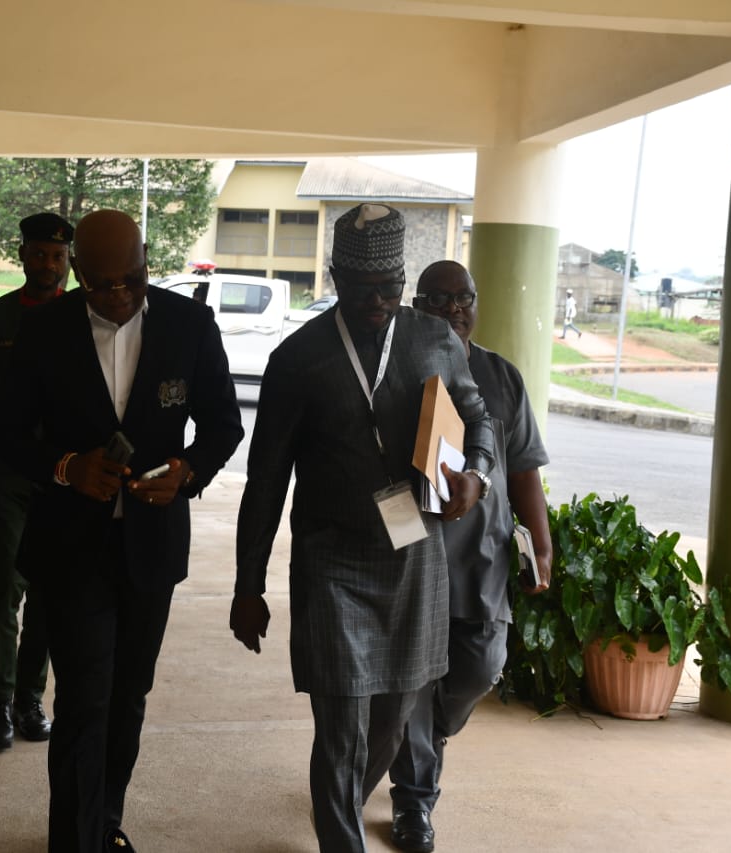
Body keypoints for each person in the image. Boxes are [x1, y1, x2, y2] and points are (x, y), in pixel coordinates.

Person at [231, 203, 495, 853]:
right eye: (362, 288)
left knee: (392, 720)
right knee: (342, 724)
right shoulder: (299, 359)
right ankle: (341, 839)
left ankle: (339, 807)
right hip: (333, 562)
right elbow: (266, 480)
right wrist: (248, 583)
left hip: (414, 555)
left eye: (390, 287)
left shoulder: (433, 340)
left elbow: (477, 416)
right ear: (335, 278)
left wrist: (477, 474)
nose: (378, 301)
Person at [0, 209, 244, 853]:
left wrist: (187, 471)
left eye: (133, 279)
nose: (121, 295)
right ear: (77, 273)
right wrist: (67, 467)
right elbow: (6, 436)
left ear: (147, 261)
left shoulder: (189, 325)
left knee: (129, 696)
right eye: (102, 285)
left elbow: (223, 424)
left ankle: (104, 823)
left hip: (152, 546)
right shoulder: (43, 332)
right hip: (73, 548)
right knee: (84, 700)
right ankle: (74, 841)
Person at [386, 260, 554, 853]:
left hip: (482, 557)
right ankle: (414, 802)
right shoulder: (395, 371)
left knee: (480, 666)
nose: (455, 309)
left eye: (465, 298)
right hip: (415, 549)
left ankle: (431, 734)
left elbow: (524, 469)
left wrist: (541, 543)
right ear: (416, 306)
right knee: (415, 680)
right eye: (438, 299)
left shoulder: (501, 376)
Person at [0, 212, 74, 750]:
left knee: (50, 593)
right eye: (39, 254)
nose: (48, 264)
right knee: (7, 588)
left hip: (63, 477)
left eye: (58, 256)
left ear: (68, 261)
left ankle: (30, 699)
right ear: (23, 254)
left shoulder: (83, 318)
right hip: (6, 472)